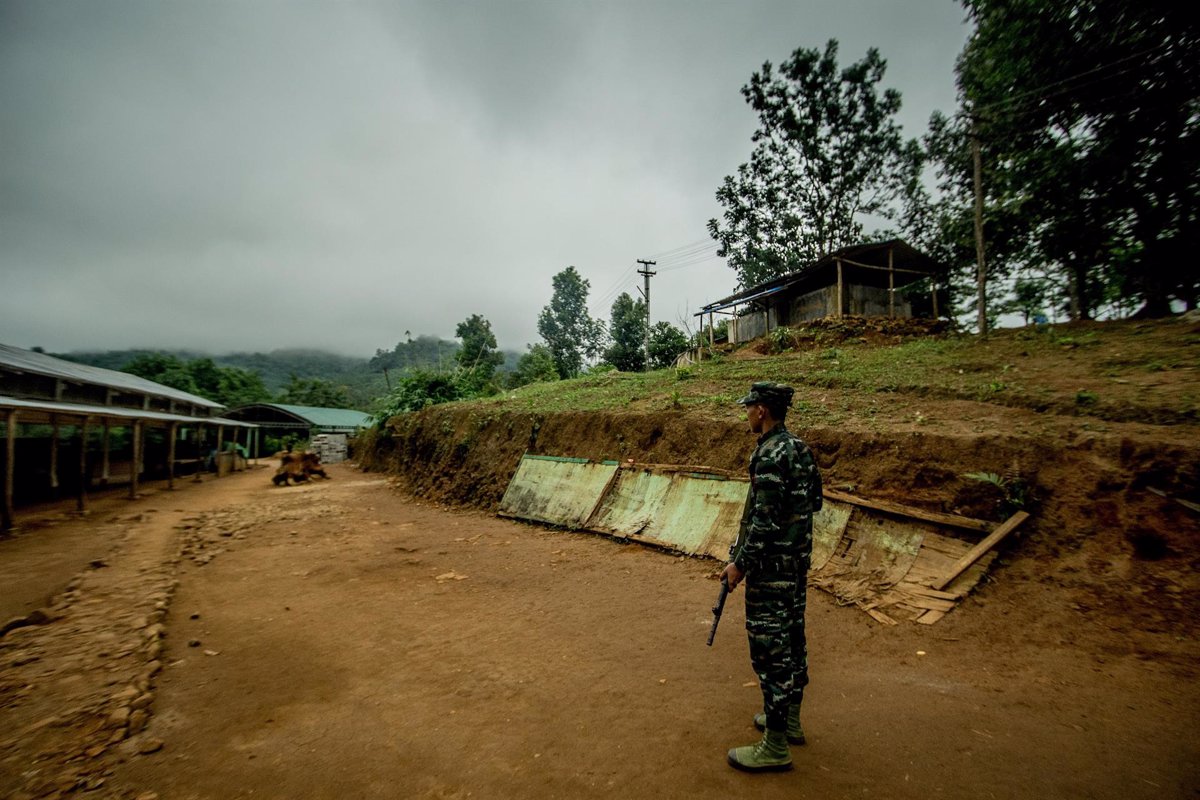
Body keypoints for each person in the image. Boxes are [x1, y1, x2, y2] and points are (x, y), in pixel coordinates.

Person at [721, 381, 822, 772]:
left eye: (749, 407)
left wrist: (740, 565)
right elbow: (813, 502)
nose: (746, 412)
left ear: (762, 410)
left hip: (770, 570)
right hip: (796, 565)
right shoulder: (800, 449)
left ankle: (776, 745)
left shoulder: (767, 454)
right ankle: (790, 721)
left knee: (770, 651)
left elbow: (763, 521)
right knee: (793, 640)